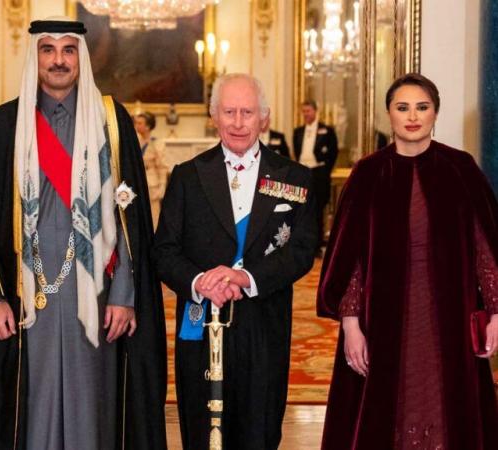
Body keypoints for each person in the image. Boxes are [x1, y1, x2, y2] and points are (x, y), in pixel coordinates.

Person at [0, 17, 167, 450]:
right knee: (31, 402)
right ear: (34, 56)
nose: (58, 60)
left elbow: (130, 214)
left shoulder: (111, 121)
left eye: (68, 50)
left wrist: (124, 294)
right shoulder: (3, 125)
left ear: (82, 58)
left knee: (94, 401)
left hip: (94, 290)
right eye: (48, 49)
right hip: (26, 290)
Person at [317, 73, 498, 449]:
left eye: (422, 107)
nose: (412, 116)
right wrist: (351, 326)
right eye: (402, 107)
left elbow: (486, 249)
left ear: (435, 113)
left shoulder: (461, 169)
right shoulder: (367, 174)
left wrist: (496, 314)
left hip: (448, 319)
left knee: (446, 407)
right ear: (389, 115)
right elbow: (349, 260)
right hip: (379, 321)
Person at [153, 73, 317, 449]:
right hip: (201, 323)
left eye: (247, 112)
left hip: (264, 322)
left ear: (265, 117)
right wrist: (199, 282)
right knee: (202, 427)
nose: (239, 122)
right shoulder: (187, 176)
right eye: (229, 112)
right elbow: (164, 251)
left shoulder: (294, 178)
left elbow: (302, 250)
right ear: (214, 116)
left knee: (259, 427)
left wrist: (246, 278)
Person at [293, 100, 338, 255]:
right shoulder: (298, 132)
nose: (306, 114)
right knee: (301, 211)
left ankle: (317, 245)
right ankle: (302, 243)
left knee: (317, 210)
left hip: (319, 174)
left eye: (308, 111)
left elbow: (333, 153)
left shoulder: (327, 130)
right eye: (303, 111)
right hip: (302, 174)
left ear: (315, 111)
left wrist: (324, 172)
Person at [134, 111, 168, 229]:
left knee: (153, 216)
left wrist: (162, 186)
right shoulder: (135, 141)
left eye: (140, 123)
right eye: (136, 123)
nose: (137, 125)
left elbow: (162, 166)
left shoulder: (156, 143)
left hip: (151, 183)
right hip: (137, 182)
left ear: (148, 126)